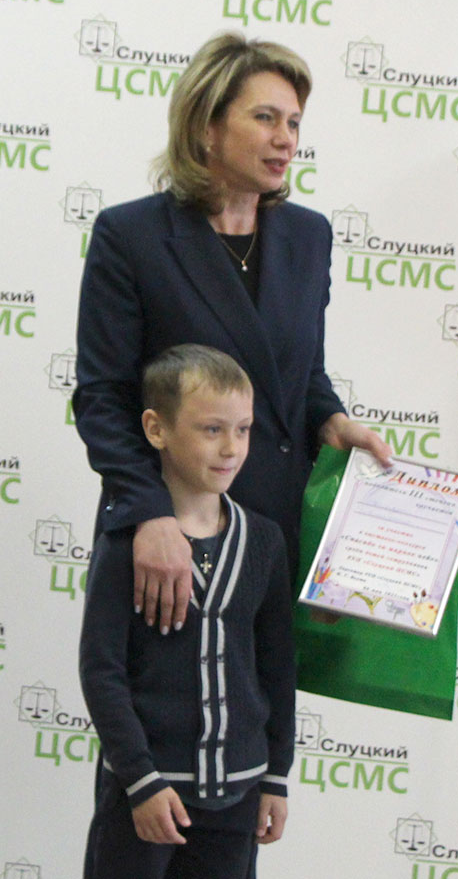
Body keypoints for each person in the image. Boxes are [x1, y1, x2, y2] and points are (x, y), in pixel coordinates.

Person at [74, 30, 391, 637]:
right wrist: (148, 514)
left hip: (275, 536)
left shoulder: (309, 236)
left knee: (263, 700)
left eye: (294, 123)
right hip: (174, 538)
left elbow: (301, 372)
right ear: (206, 128)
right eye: (265, 118)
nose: (286, 139)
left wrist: (330, 420)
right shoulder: (131, 237)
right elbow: (103, 397)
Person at [79, 345, 295, 879]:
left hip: (239, 795)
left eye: (242, 429)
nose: (231, 448)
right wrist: (140, 779)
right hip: (145, 795)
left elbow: (277, 667)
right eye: (211, 429)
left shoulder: (264, 541)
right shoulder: (126, 544)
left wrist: (275, 775)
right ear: (156, 429)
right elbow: (102, 671)